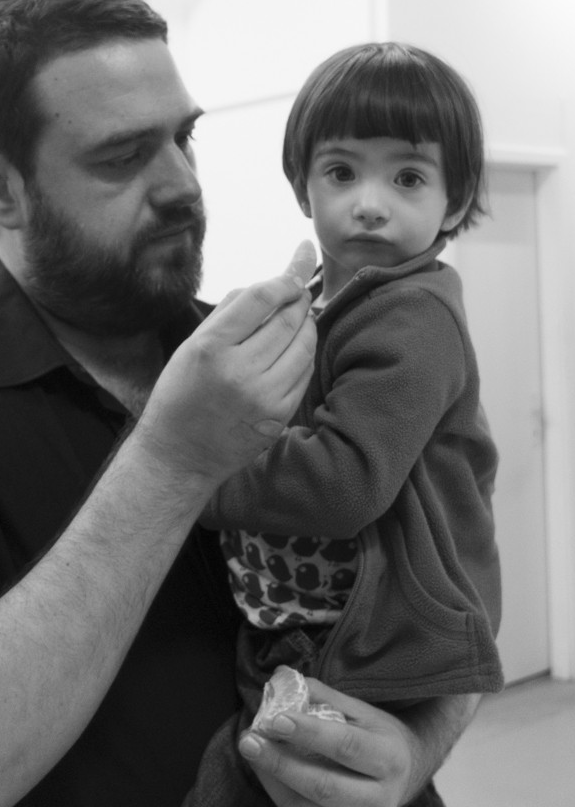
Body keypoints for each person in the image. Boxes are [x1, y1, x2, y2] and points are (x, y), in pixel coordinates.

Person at [0, 0, 479, 807]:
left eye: (184, 138)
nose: (182, 185)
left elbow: (453, 579)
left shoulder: (273, 347)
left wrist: (417, 747)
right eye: (122, 156)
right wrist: (174, 461)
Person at [184, 43, 504, 806]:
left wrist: (194, 470)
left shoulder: (412, 314)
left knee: (246, 785)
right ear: (303, 185)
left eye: (408, 178)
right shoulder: (325, 302)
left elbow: (344, 482)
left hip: (359, 635)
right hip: (302, 618)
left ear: (454, 201)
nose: (369, 202)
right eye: (341, 172)